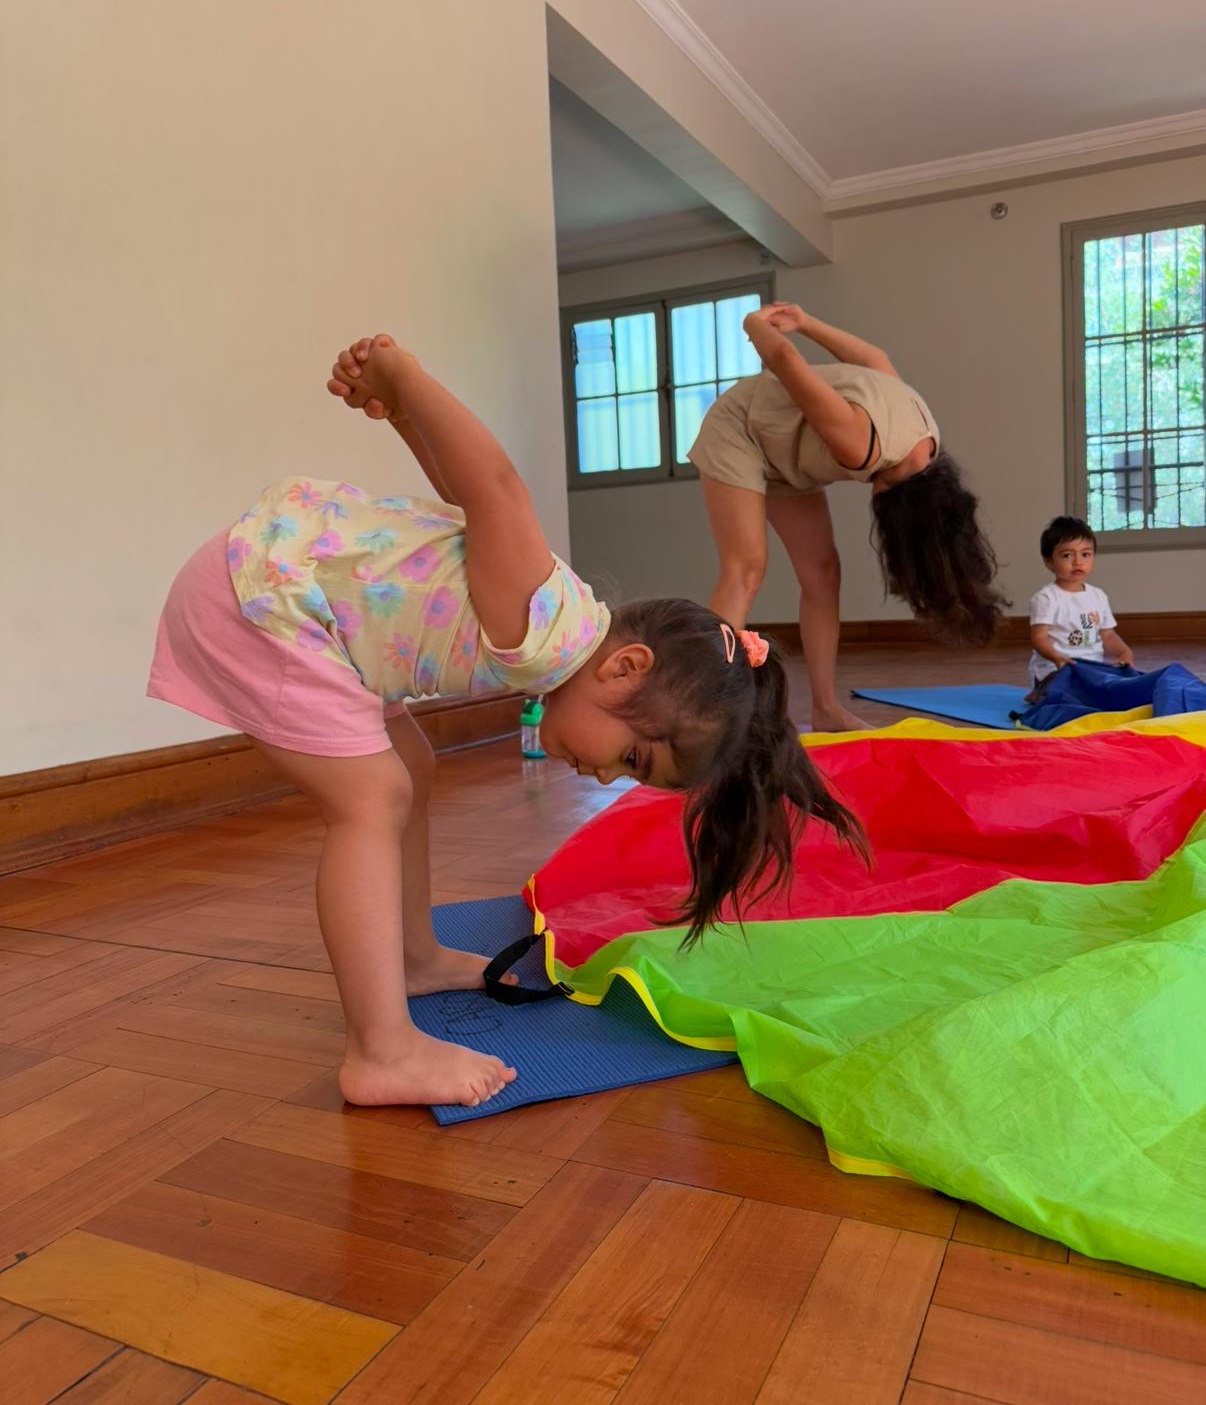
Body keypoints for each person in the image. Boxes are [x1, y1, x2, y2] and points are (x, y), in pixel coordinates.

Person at [148, 333, 863, 1109]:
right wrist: (406, 381)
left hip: (303, 608)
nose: (603, 774)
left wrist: (398, 418)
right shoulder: (546, 628)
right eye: (630, 758)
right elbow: (493, 486)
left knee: (409, 770)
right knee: (371, 797)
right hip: (260, 601)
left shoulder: (555, 621)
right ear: (626, 669)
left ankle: (413, 957)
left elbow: (464, 501)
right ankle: (379, 1050)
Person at [690, 302, 1007, 731]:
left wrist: (806, 322)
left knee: (823, 572)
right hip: (741, 429)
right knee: (746, 567)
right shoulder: (862, 445)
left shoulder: (925, 440)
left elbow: (878, 362)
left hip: (785, 449)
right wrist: (752, 325)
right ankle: (703, 717)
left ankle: (825, 710)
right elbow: (783, 359)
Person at [1026, 516, 1134, 702]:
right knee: (1067, 694)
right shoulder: (1046, 598)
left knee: (1124, 686)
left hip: (1090, 670)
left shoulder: (1098, 596)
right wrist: (1057, 658)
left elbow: (1108, 635)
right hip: (1056, 670)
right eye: (1067, 555)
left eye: (1085, 554)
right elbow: (1039, 638)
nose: (1077, 562)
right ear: (1049, 561)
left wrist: (1125, 653)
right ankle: (1040, 693)